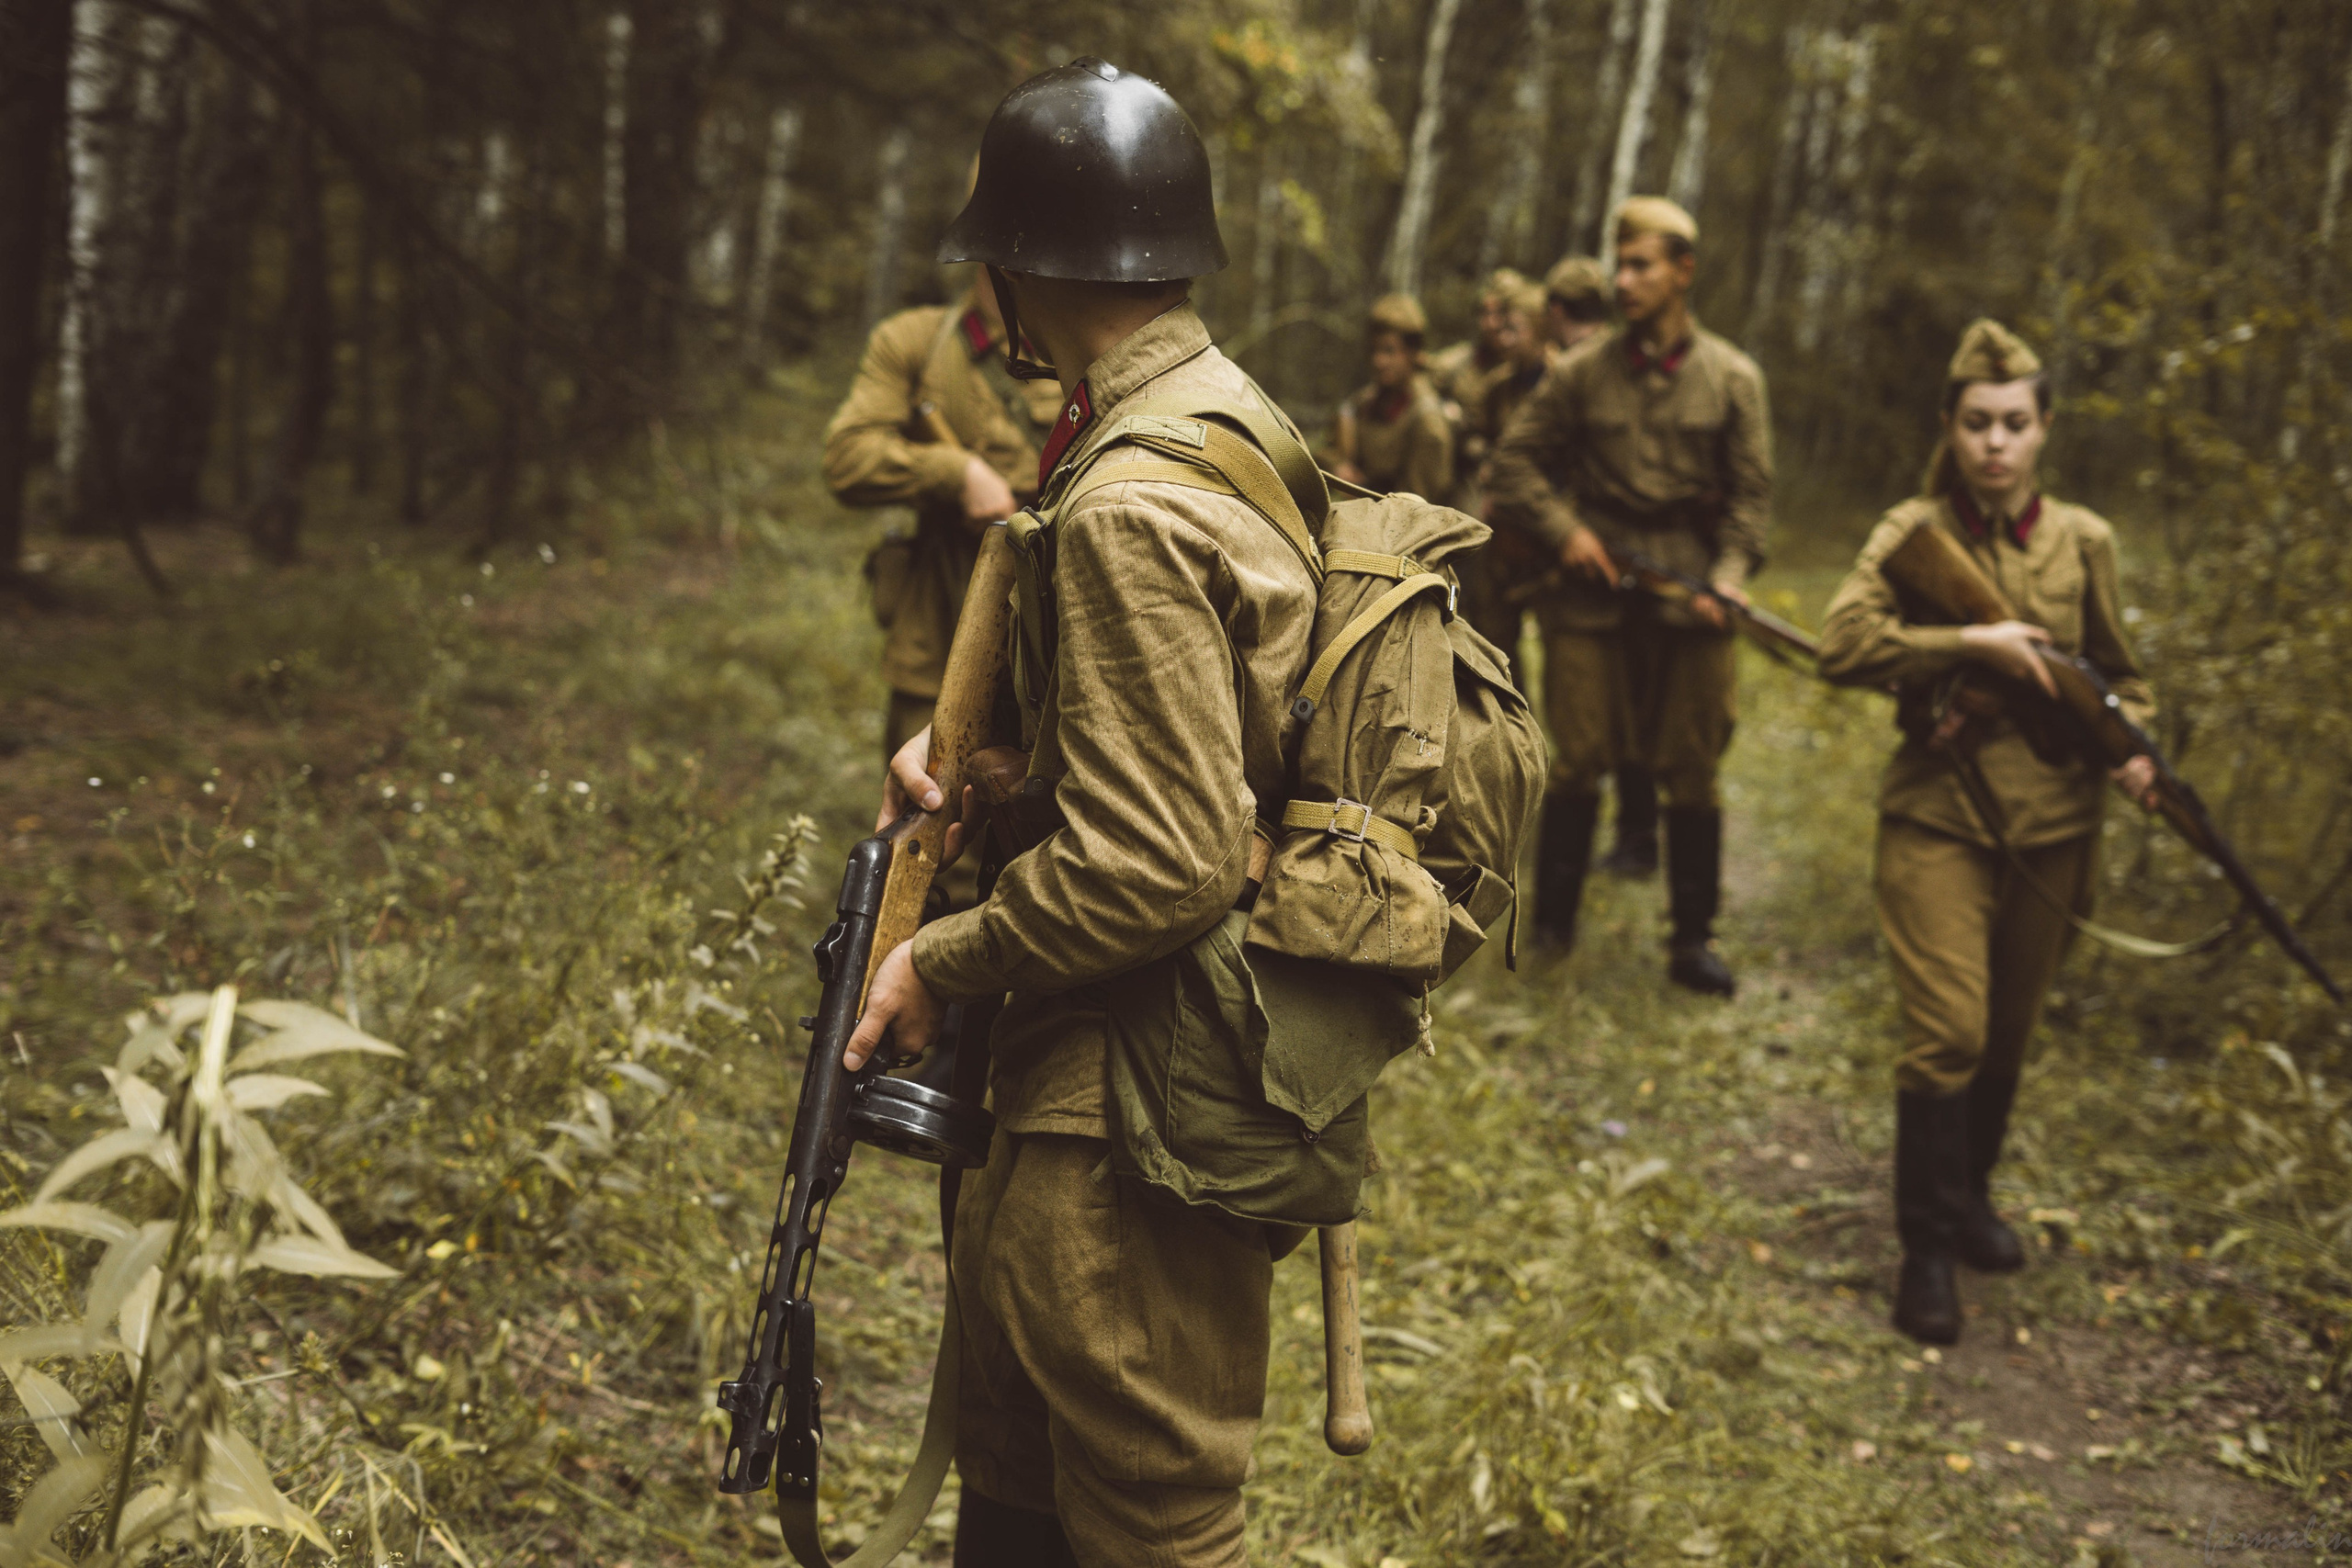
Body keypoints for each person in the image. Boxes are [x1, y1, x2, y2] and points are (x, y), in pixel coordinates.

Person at [844, 58, 1326, 1566]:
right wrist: (1002, 779)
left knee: (1145, 1516)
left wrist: (943, 957)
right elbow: (1211, 745)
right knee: (1023, 1477)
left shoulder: (1126, 498)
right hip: (1120, 1058)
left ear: (1020, 267)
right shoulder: (1225, 414)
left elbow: (1167, 855)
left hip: (1132, 1088)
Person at [1816, 320, 2158, 1347]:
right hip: (1939, 816)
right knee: (1950, 1030)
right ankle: (1923, 1245)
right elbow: (1841, 643)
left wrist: (2134, 741)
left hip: (2053, 827)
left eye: (2014, 423)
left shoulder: (2083, 540)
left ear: (2044, 428)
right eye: (1977, 424)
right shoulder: (1910, 530)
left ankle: (1968, 1197)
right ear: (1950, 429)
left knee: (2007, 1032)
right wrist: (1974, 642)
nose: (1995, 444)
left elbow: (2121, 670)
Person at [1486, 197, 1773, 994]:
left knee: (1692, 764)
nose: (1625, 280)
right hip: (1593, 592)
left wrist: (1727, 579)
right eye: (1620, 264)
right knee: (1577, 757)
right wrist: (1567, 533)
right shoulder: (1579, 373)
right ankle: (1551, 929)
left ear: (1683, 271)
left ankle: (1691, 940)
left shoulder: (1734, 378)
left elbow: (1751, 498)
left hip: (1689, 594)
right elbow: (1513, 463)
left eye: (1642, 264)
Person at [822, 263, 1063, 761]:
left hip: (1062, 651)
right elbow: (848, 460)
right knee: (926, 813)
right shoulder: (918, 341)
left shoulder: (1086, 347)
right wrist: (954, 473)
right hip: (939, 641)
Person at [1545, 254, 1664, 879]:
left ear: (1556, 312)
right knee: (1628, 718)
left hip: (1602, 570)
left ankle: (1637, 840)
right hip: (1597, 567)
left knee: (1599, 725)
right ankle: (1636, 838)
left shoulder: (1573, 373)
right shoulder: (1608, 372)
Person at [1327, 293, 1453, 502]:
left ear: (1413, 353)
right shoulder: (1365, 402)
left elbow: (1417, 508)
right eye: (1374, 350)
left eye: (1389, 351)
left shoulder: (1427, 420)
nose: (1378, 361)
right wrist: (1339, 467)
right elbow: (1328, 451)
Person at [1430, 267, 1526, 479]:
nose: (1490, 324)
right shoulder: (1457, 363)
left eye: (1499, 313)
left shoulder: (1527, 367)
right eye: (1484, 313)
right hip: (1460, 469)